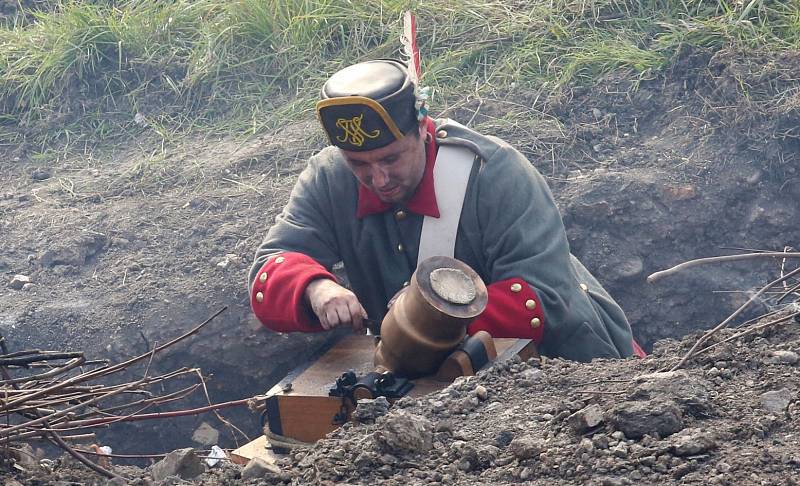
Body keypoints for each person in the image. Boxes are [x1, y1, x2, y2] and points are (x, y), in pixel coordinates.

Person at [248, 59, 644, 362]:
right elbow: (272, 266)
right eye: (359, 164)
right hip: (433, 380)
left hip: (573, 366)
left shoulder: (495, 172)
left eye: (391, 158)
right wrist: (317, 289)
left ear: (422, 127)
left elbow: (542, 298)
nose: (379, 178)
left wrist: (422, 323)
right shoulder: (330, 178)